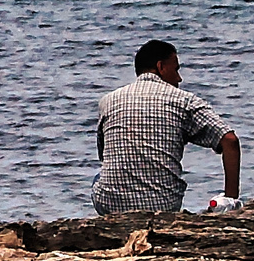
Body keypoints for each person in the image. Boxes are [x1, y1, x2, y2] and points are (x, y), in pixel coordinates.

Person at [92, 40, 241, 215]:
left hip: (112, 205)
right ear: (161, 67)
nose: (179, 78)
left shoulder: (108, 101)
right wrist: (231, 199)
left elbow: (104, 155)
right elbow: (230, 140)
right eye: (176, 69)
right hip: (162, 206)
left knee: (99, 176)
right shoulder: (184, 101)